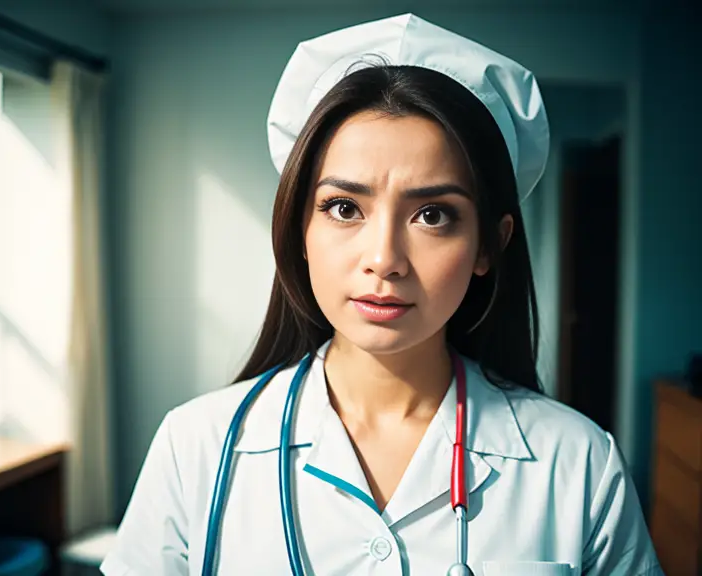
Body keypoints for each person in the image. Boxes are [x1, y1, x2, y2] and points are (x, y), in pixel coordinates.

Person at [101, 14, 663, 576]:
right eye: (344, 208)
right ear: (300, 230)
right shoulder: (196, 446)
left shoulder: (580, 464)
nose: (384, 259)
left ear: (490, 245)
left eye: (433, 215)